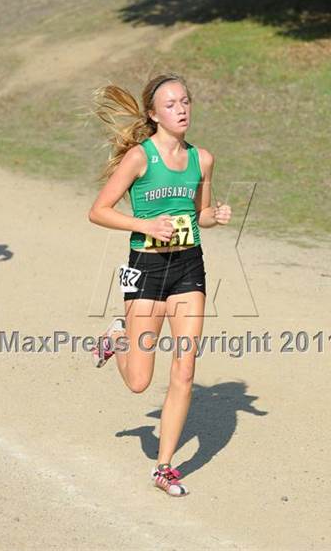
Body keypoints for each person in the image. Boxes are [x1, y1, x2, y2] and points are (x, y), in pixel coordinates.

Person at [88, 72, 231, 497]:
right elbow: (98, 211)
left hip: (189, 268)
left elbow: (199, 214)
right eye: (171, 104)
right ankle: (118, 335)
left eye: (185, 101)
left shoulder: (202, 159)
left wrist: (215, 216)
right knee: (138, 382)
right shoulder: (139, 157)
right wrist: (143, 223)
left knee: (185, 370)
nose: (182, 109)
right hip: (146, 269)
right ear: (153, 114)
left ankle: (164, 466)